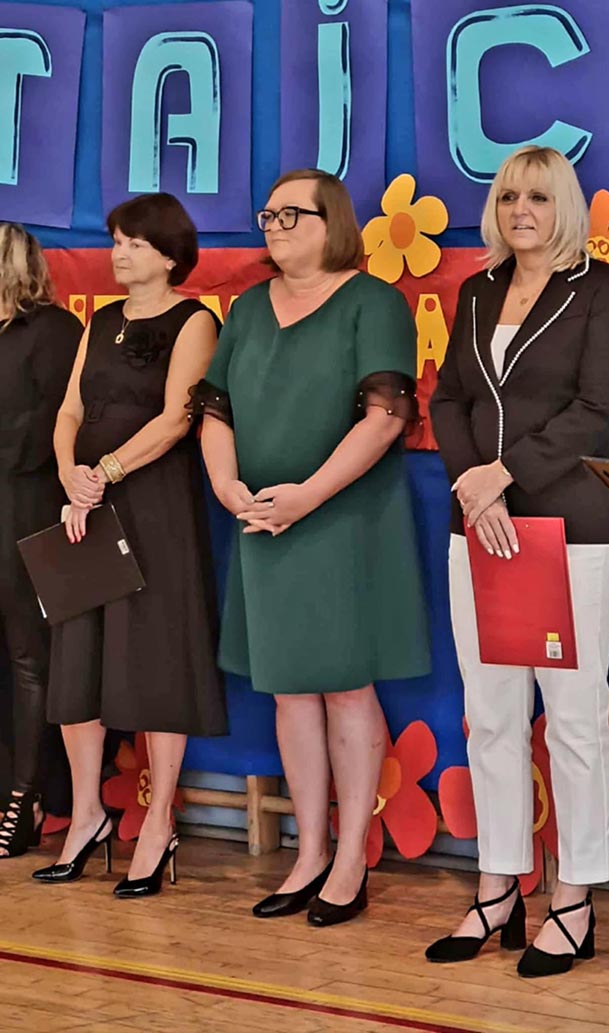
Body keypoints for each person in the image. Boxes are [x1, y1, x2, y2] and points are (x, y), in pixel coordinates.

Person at [193, 168, 430, 927]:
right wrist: (227, 484)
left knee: (345, 686)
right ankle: (309, 852)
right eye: (266, 214)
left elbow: (385, 416)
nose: (273, 226)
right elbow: (214, 409)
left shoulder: (374, 302)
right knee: (289, 689)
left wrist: (307, 496)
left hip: (343, 519)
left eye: (290, 214)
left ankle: (352, 855)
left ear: (333, 222)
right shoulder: (247, 308)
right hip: (264, 519)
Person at [426, 146, 609, 977]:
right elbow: (449, 397)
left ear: (564, 207)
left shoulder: (602, 290)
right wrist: (474, 488)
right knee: (490, 715)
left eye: (539, 197)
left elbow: (596, 407)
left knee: (574, 719)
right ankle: (497, 888)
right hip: (477, 527)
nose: (521, 209)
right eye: (510, 195)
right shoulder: (477, 290)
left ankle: (573, 899)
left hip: (569, 527)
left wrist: (504, 474)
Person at [33, 193, 227, 897]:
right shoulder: (102, 320)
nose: (119, 253)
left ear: (170, 255)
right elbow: (69, 410)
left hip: (153, 505)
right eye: (115, 240)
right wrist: (70, 473)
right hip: (84, 506)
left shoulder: (194, 320)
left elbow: (178, 417)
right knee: (77, 660)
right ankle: (87, 815)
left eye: (134, 243)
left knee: (156, 657)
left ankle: (157, 822)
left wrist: (107, 471)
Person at [0, 224, 82, 857]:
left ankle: (26, 797)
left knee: (31, 656)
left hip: (25, 507)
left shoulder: (53, 332)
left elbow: (51, 430)